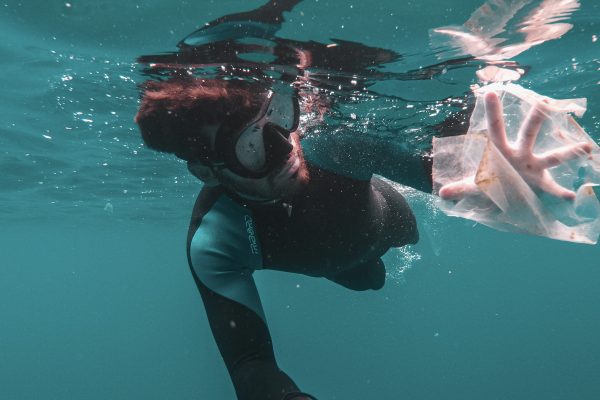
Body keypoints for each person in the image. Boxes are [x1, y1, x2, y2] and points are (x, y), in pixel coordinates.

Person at [134, 75, 590, 400]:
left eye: (278, 118)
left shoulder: (333, 150)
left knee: (381, 259)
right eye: (251, 146)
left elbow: (451, 179)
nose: (286, 145)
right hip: (343, 264)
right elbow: (250, 364)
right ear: (207, 170)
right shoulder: (216, 239)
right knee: (368, 279)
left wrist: (508, 186)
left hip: (391, 224)